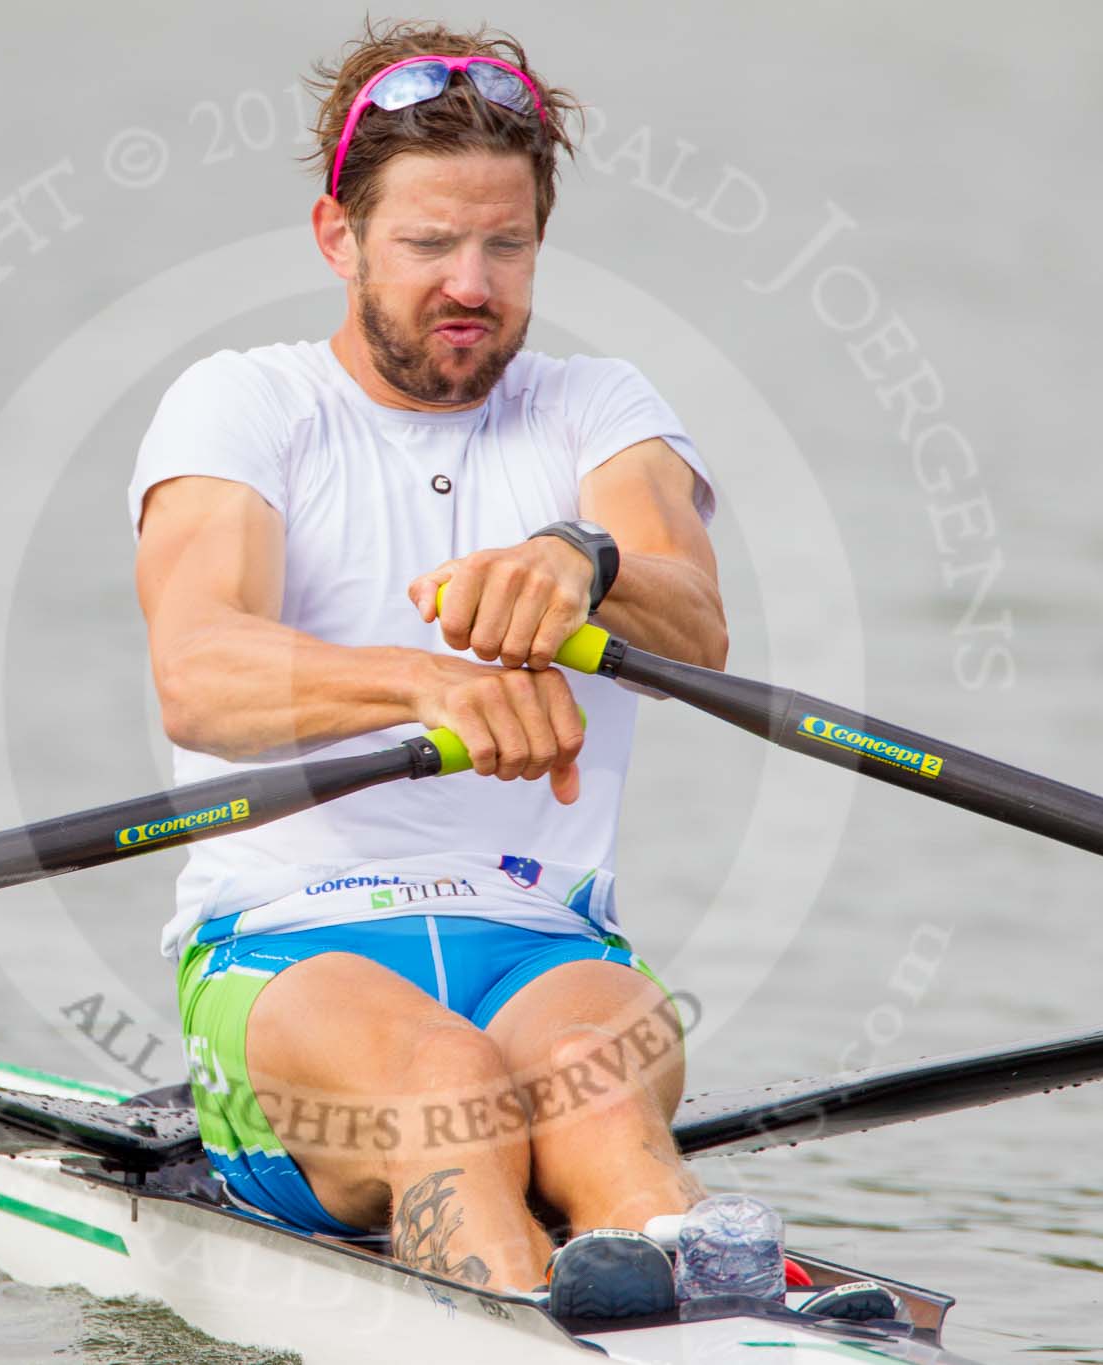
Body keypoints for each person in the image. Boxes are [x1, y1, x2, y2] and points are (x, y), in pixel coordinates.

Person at [128, 19, 729, 1316]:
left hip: (549, 943)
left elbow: (698, 623)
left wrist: (590, 562)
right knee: (450, 1094)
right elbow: (202, 666)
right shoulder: (244, 405)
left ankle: (717, 1314)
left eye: (506, 244)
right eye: (428, 244)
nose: (472, 279)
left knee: (603, 1098)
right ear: (337, 238)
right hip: (290, 956)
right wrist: (428, 684)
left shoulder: (601, 411)